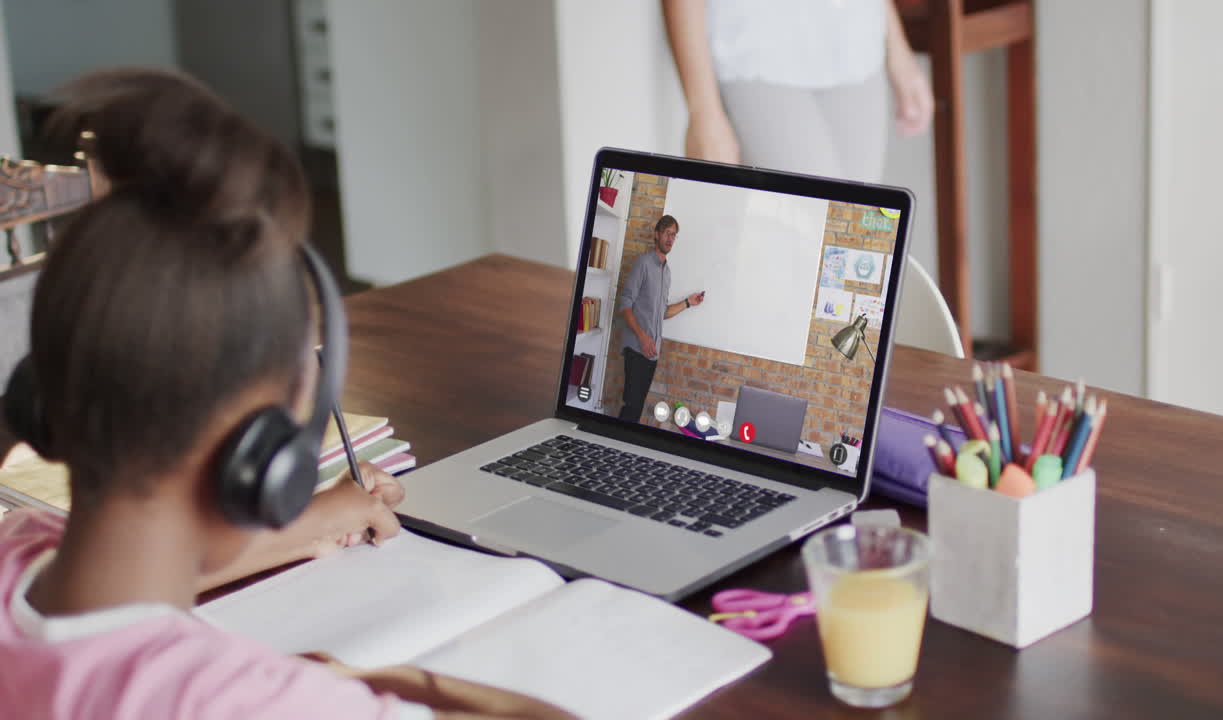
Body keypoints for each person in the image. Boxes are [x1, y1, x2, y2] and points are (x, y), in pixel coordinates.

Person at [0, 68, 573, 720]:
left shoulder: (19, 548)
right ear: (261, 460)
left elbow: (119, 602)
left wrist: (309, 523)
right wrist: (373, 683)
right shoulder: (235, 701)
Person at [662, 0, 934, 182]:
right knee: (804, 235)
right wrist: (703, 111)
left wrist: (897, 47)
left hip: (857, 45)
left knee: (855, 242)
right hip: (754, 52)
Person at [616, 215, 704, 423]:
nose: (670, 238)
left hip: (652, 352)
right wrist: (643, 337)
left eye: (674, 235)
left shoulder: (667, 273)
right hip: (637, 347)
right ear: (657, 235)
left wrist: (688, 303)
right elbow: (625, 303)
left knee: (636, 408)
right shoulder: (643, 263)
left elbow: (661, 312)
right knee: (631, 406)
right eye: (667, 233)